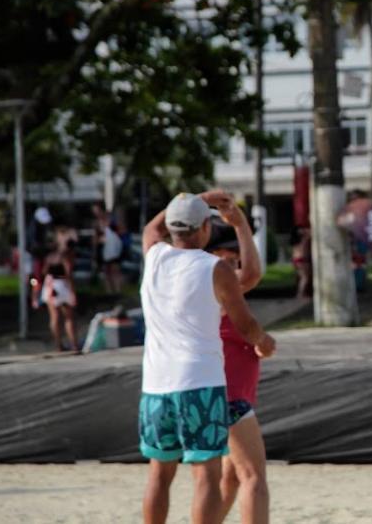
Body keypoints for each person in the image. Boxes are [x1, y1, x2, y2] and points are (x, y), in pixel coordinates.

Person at [139, 191, 276, 524]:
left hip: (156, 385)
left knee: (159, 475)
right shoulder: (215, 269)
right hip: (200, 383)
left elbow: (150, 230)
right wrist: (264, 341)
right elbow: (246, 323)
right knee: (207, 476)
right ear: (204, 228)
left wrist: (195, 199)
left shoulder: (154, 257)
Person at [203, 201, 272, 524]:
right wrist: (241, 224)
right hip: (229, 397)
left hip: (229, 393)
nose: (233, 265)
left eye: (235, 259)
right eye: (226, 259)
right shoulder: (212, 287)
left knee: (229, 479)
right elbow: (254, 274)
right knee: (254, 479)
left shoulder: (216, 289)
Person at [38, 227, 79, 352]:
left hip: (50, 284)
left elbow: (44, 271)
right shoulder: (66, 255)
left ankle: (58, 345)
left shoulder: (50, 255)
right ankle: (74, 344)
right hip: (62, 285)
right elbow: (69, 274)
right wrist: (72, 291)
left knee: (54, 316)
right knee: (68, 316)